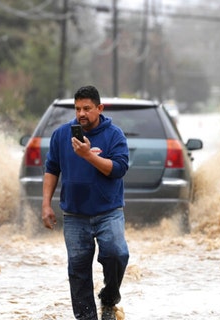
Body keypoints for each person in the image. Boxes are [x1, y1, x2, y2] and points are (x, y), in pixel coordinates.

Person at [42, 85, 129, 320]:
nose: (81, 113)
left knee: (116, 254)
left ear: (99, 108)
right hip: (74, 215)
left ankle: (109, 299)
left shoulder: (114, 135)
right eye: (78, 108)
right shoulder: (62, 135)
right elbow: (52, 169)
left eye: (87, 108)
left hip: (108, 211)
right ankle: (86, 317)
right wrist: (46, 204)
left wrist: (88, 155)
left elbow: (118, 169)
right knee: (78, 271)